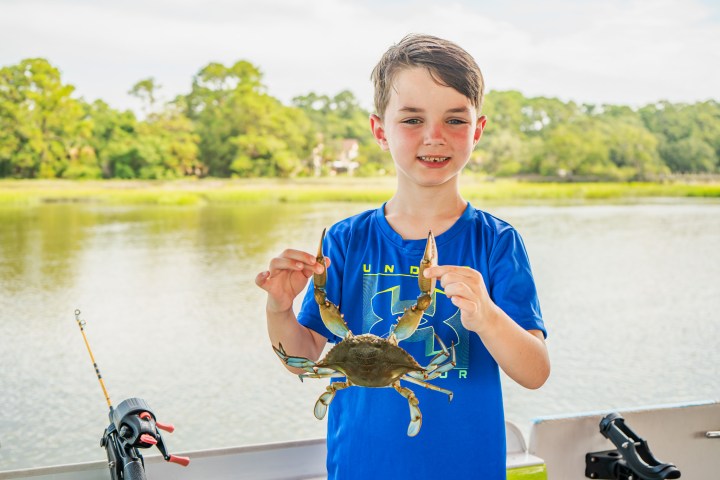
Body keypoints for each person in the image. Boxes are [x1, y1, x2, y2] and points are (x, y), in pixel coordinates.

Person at [255, 33, 550, 479]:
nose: (434, 136)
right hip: (361, 468)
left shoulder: (497, 242)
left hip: (468, 468)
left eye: (455, 120)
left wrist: (487, 316)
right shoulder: (344, 241)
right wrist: (279, 308)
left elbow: (534, 372)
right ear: (380, 130)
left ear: (478, 130)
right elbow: (302, 356)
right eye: (412, 119)